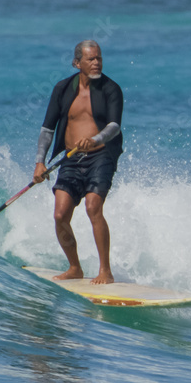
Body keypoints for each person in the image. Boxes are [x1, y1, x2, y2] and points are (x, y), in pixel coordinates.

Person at [33, 40, 123, 284]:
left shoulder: (111, 89)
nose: (96, 63)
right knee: (60, 214)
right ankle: (75, 267)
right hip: (72, 157)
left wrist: (94, 140)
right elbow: (47, 129)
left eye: (99, 58)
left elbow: (114, 126)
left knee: (93, 207)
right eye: (91, 59)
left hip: (101, 155)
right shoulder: (62, 89)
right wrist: (40, 162)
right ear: (77, 63)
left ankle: (105, 270)